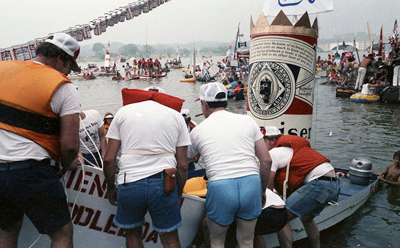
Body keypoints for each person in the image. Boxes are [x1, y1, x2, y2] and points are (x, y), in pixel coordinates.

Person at [0, 33, 81, 247]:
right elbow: (70, 146)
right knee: (62, 233)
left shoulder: (2, 69)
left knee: (6, 229)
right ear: (60, 59)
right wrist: (68, 163)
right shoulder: (63, 87)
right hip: (30, 172)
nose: (68, 74)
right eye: (69, 68)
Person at [103, 86, 191, 248]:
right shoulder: (176, 116)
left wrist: (110, 187)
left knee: (133, 234)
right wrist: (177, 192)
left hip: (129, 182)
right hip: (164, 183)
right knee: (170, 238)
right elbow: (183, 165)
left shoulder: (123, 112)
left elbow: (108, 159)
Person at [187, 82, 272, 248]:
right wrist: (261, 190)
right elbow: (267, 161)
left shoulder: (198, 130)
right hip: (251, 183)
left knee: (217, 241)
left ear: (204, 104)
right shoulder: (248, 121)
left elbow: (184, 161)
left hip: (220, 186)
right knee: (247, 241)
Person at [264, 126, 339, 248]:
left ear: (271, 140)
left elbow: (269, 183)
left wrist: (266, 201)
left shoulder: (273, 153)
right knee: (307, 218)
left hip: (318, 183)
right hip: (333, 183)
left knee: (281, 216)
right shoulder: (290, 149)